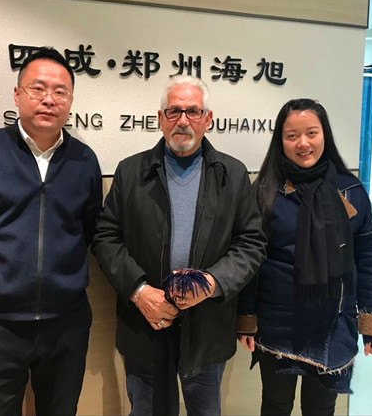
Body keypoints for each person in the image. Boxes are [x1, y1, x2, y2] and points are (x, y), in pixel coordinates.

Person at [0, 47, 103, 416]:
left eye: (60, 91)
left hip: (67, 322)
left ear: (70, 100)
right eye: (37, 88)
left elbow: (92, 228)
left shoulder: (84, 160)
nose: (49, 99)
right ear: (17, 94)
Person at [93, 75, 267, 416]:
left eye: (193, 111)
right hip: (146, 322)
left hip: (207, 326)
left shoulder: (232, 174)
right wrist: (140, 291)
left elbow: (251, 243)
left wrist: (211, 283)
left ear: (208, 118)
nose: (183, 120)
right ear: (160, 118)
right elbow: (105, 237)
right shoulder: (130, 172)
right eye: (174, 111)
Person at [238, 98, 372, 416]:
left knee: (321, 408)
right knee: (276, 405)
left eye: (311, 133)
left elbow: (368, 259)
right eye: (292, 135)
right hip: (278, 324)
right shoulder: (266, 191)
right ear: (280, 141)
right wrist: (246, 320)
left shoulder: (350, 190)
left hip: (333, 323)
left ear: (325, 135)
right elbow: (250, 262)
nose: (303, 143)